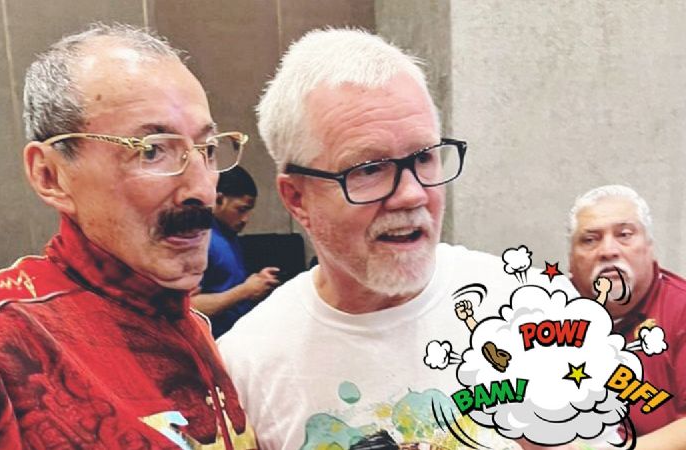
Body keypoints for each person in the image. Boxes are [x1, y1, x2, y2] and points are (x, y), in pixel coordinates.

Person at [0, 24, 257, 449]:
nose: (202, 189)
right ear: (50, 175)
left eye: (207, 150)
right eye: (151, 150)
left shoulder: (192, 326)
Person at [217, 28, 576, 450]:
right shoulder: (247, 365)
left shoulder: (532, 308)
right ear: (297, 198)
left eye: (424, 157)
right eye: (369, 169)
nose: (412, 194)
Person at [568, 184, 686, 445]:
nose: (607, 251)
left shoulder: (681, 311)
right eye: (590, 240)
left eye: (624, 235)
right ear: (572, 260)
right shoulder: (549, 309)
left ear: (649, 247)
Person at [191, 166, 279, 338]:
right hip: (216, 341)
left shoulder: (228, 234)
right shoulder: (199, 240)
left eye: (249, 210)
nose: (246, 219)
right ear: (219, 199)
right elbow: (191, 307)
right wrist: (245, 291)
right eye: (241, 210)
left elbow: (227, 284)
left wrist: (258, 282)